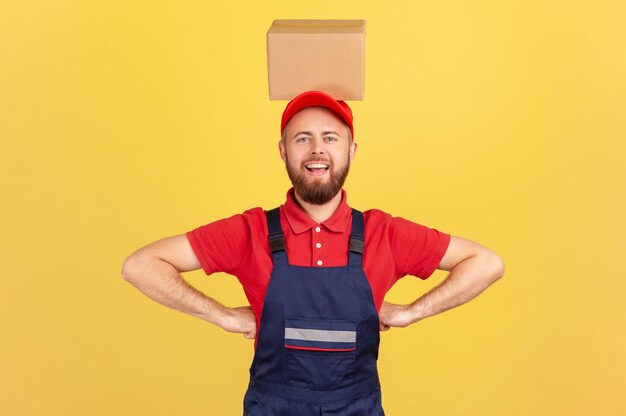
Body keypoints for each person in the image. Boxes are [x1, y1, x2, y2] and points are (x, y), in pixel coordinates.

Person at [121, 90, 505, 415]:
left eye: (330, 138)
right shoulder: (250, 231)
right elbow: (141, 266)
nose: (317, 150)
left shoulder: (382, 233)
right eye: (302, 138)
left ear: (352, 150)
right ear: (283, 151)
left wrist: (409, 313)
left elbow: (486, 263)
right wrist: (222, 317)